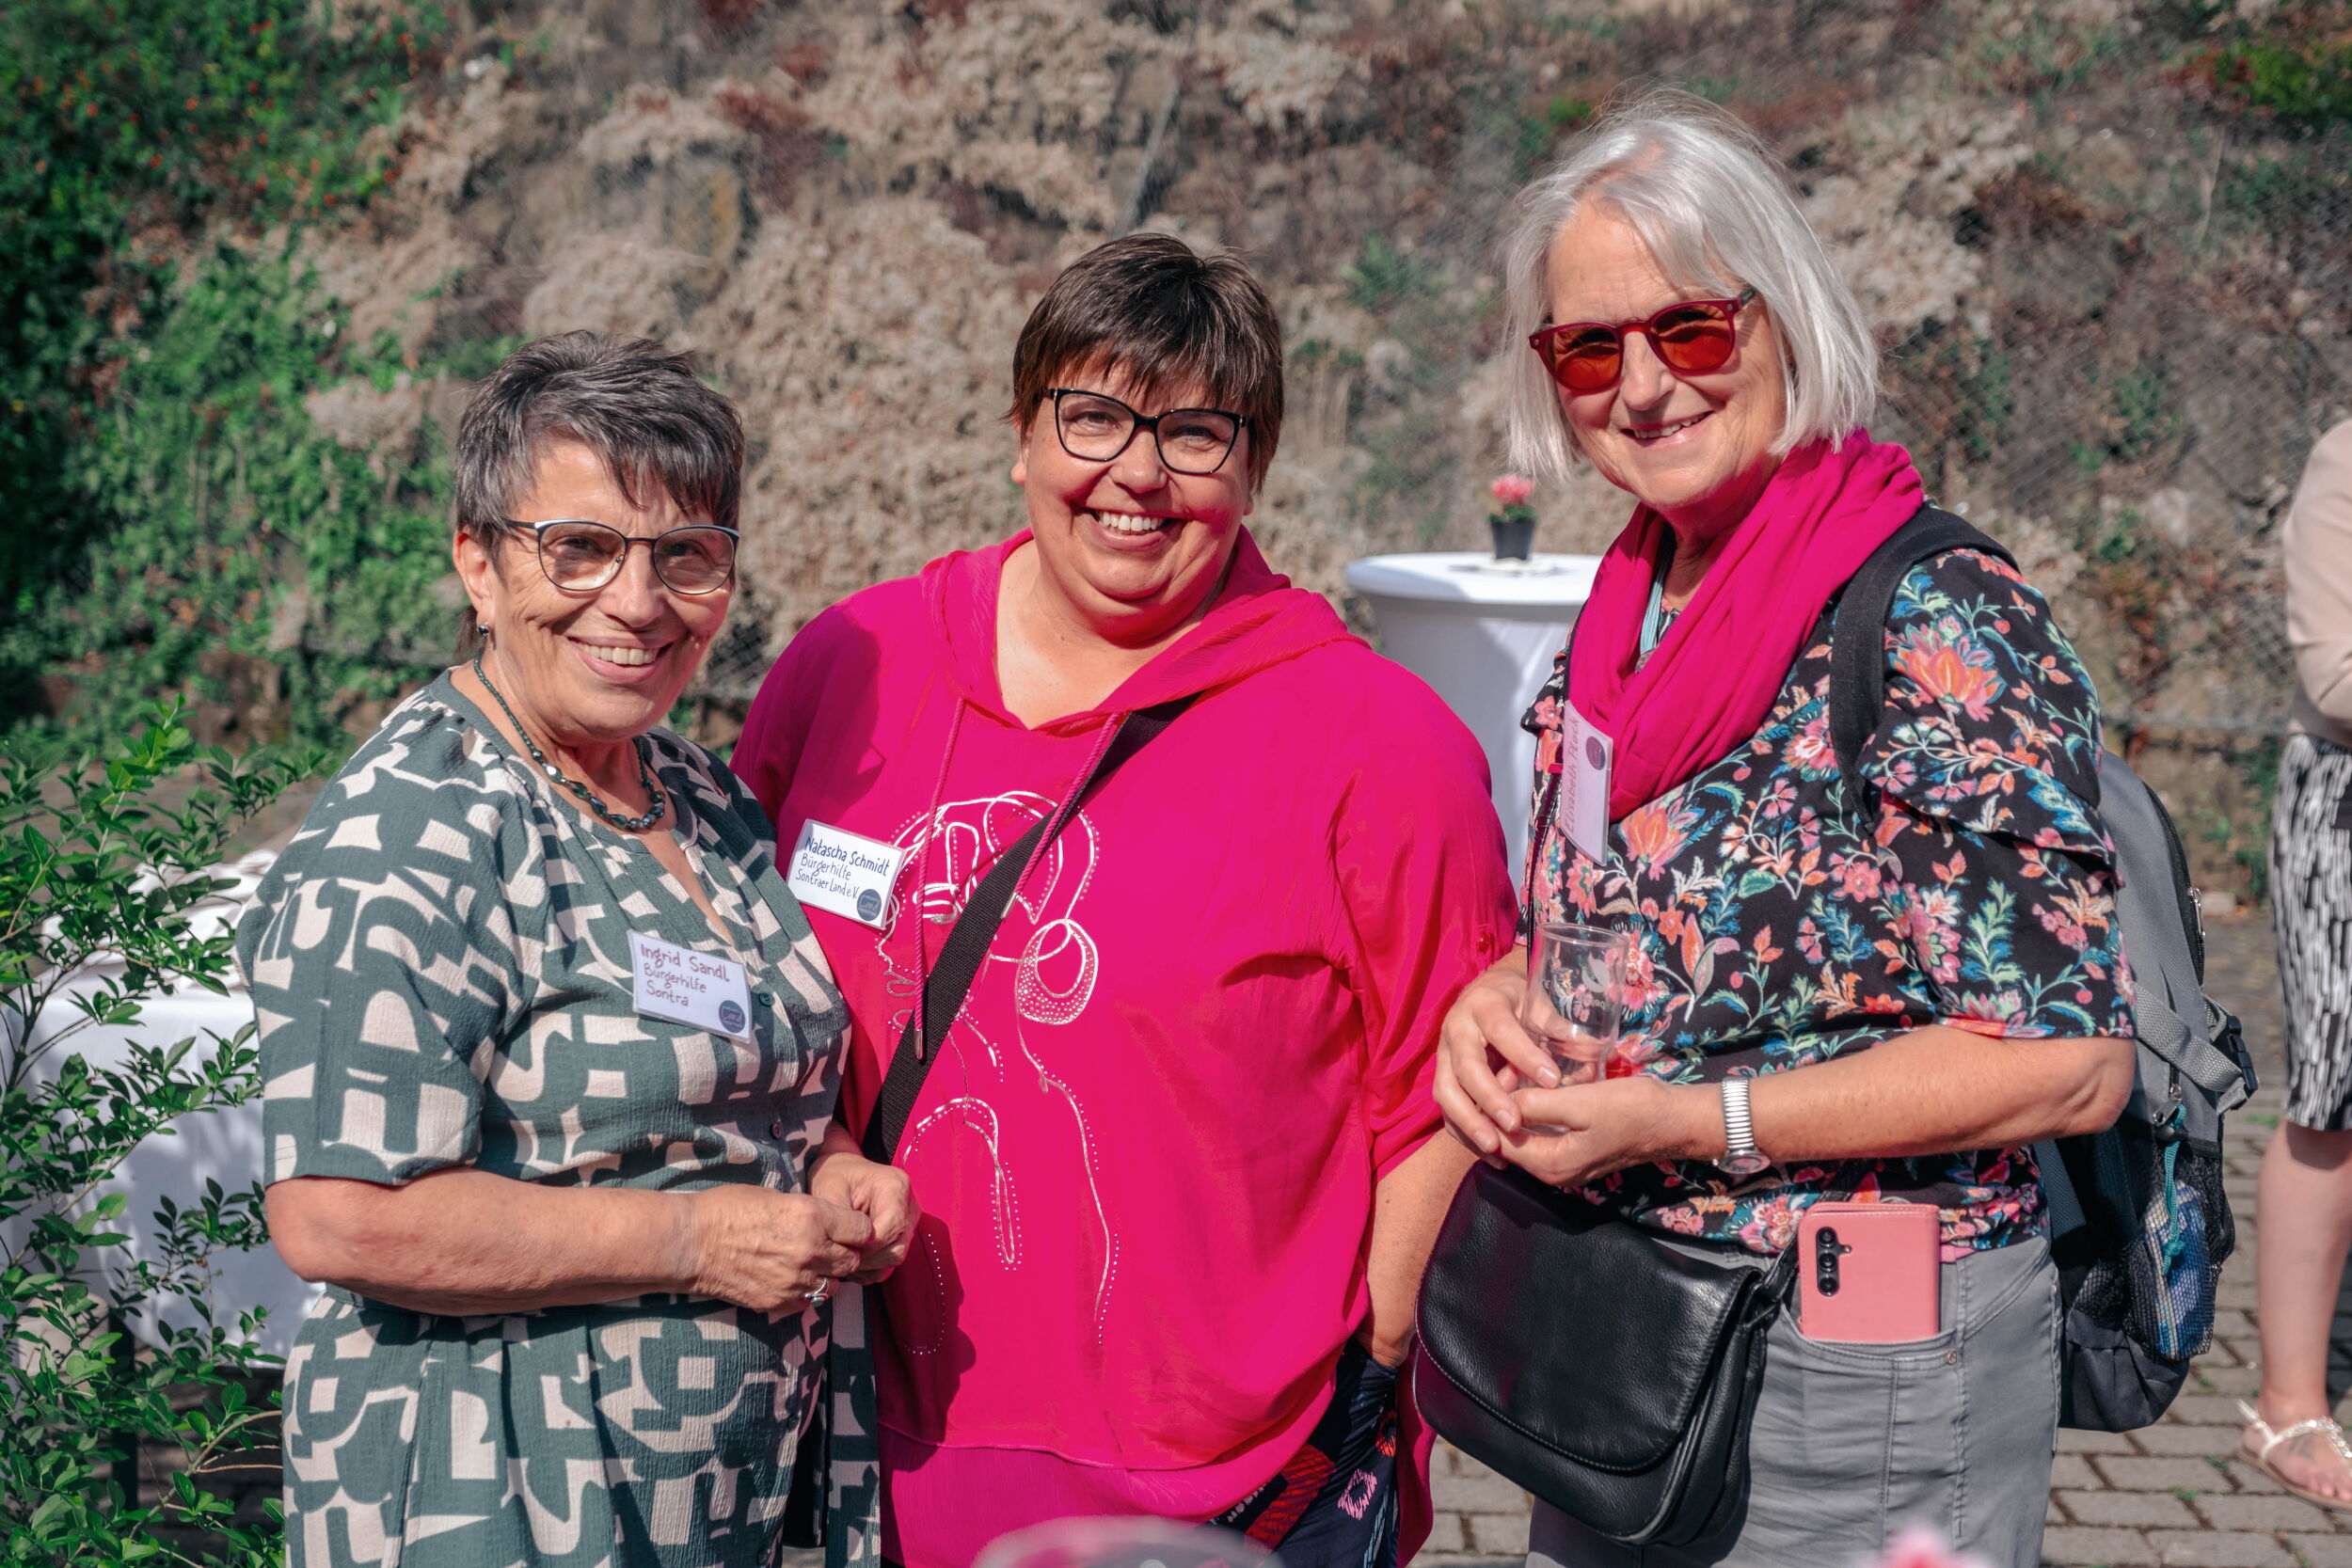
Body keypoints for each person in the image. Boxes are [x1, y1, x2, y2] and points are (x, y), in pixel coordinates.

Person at [731, 233, 1518, 1568]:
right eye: (1092, 416)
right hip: (855, 1446)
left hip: (1227, 1486)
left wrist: (1365, 1387)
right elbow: (745, 974)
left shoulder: (1374, 744)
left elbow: (1443, 1102)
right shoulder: (854, 668)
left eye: (1195, 434)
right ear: (1021, 433)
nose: (1137, 474)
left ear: (1255, 467)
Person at [1431, 95, 2137, 1566]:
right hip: (1629, 1331)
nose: (1643, 386)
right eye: (1589, 348)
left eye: (1690, 327)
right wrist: (1503, 995)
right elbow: (1608, 910)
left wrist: (1692, 1120)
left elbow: (2067, 1060)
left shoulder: (1936, 615)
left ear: (1784, 318)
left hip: (1857, 1358)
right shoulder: (1633, 602)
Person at [239, 332, 914, 1568]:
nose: (639, 601)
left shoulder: (696, 794)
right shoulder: (417, 829)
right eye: (581, 547)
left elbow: (728, 1078)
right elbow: (340, 1214)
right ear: (479, 563)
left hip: (709, 1498)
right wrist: (698, 1242)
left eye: (685, 554)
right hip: (497, 1489)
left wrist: (829, 1162)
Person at [2241, 419, 2352, 1509]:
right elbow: (2337, 672)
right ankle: (2288, 1401)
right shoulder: (2346, 458)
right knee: (2335, 1101)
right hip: (2345, 816)